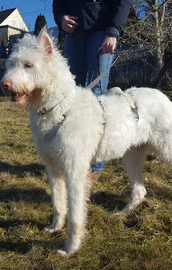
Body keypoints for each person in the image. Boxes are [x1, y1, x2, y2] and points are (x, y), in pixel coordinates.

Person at [53, 0, 133, 181]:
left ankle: (96, 163)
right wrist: (61, 19)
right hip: (74, 34)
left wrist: (113, 31)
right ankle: (73, 155)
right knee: (70, 96)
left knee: (96, 95)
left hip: (102, 32)